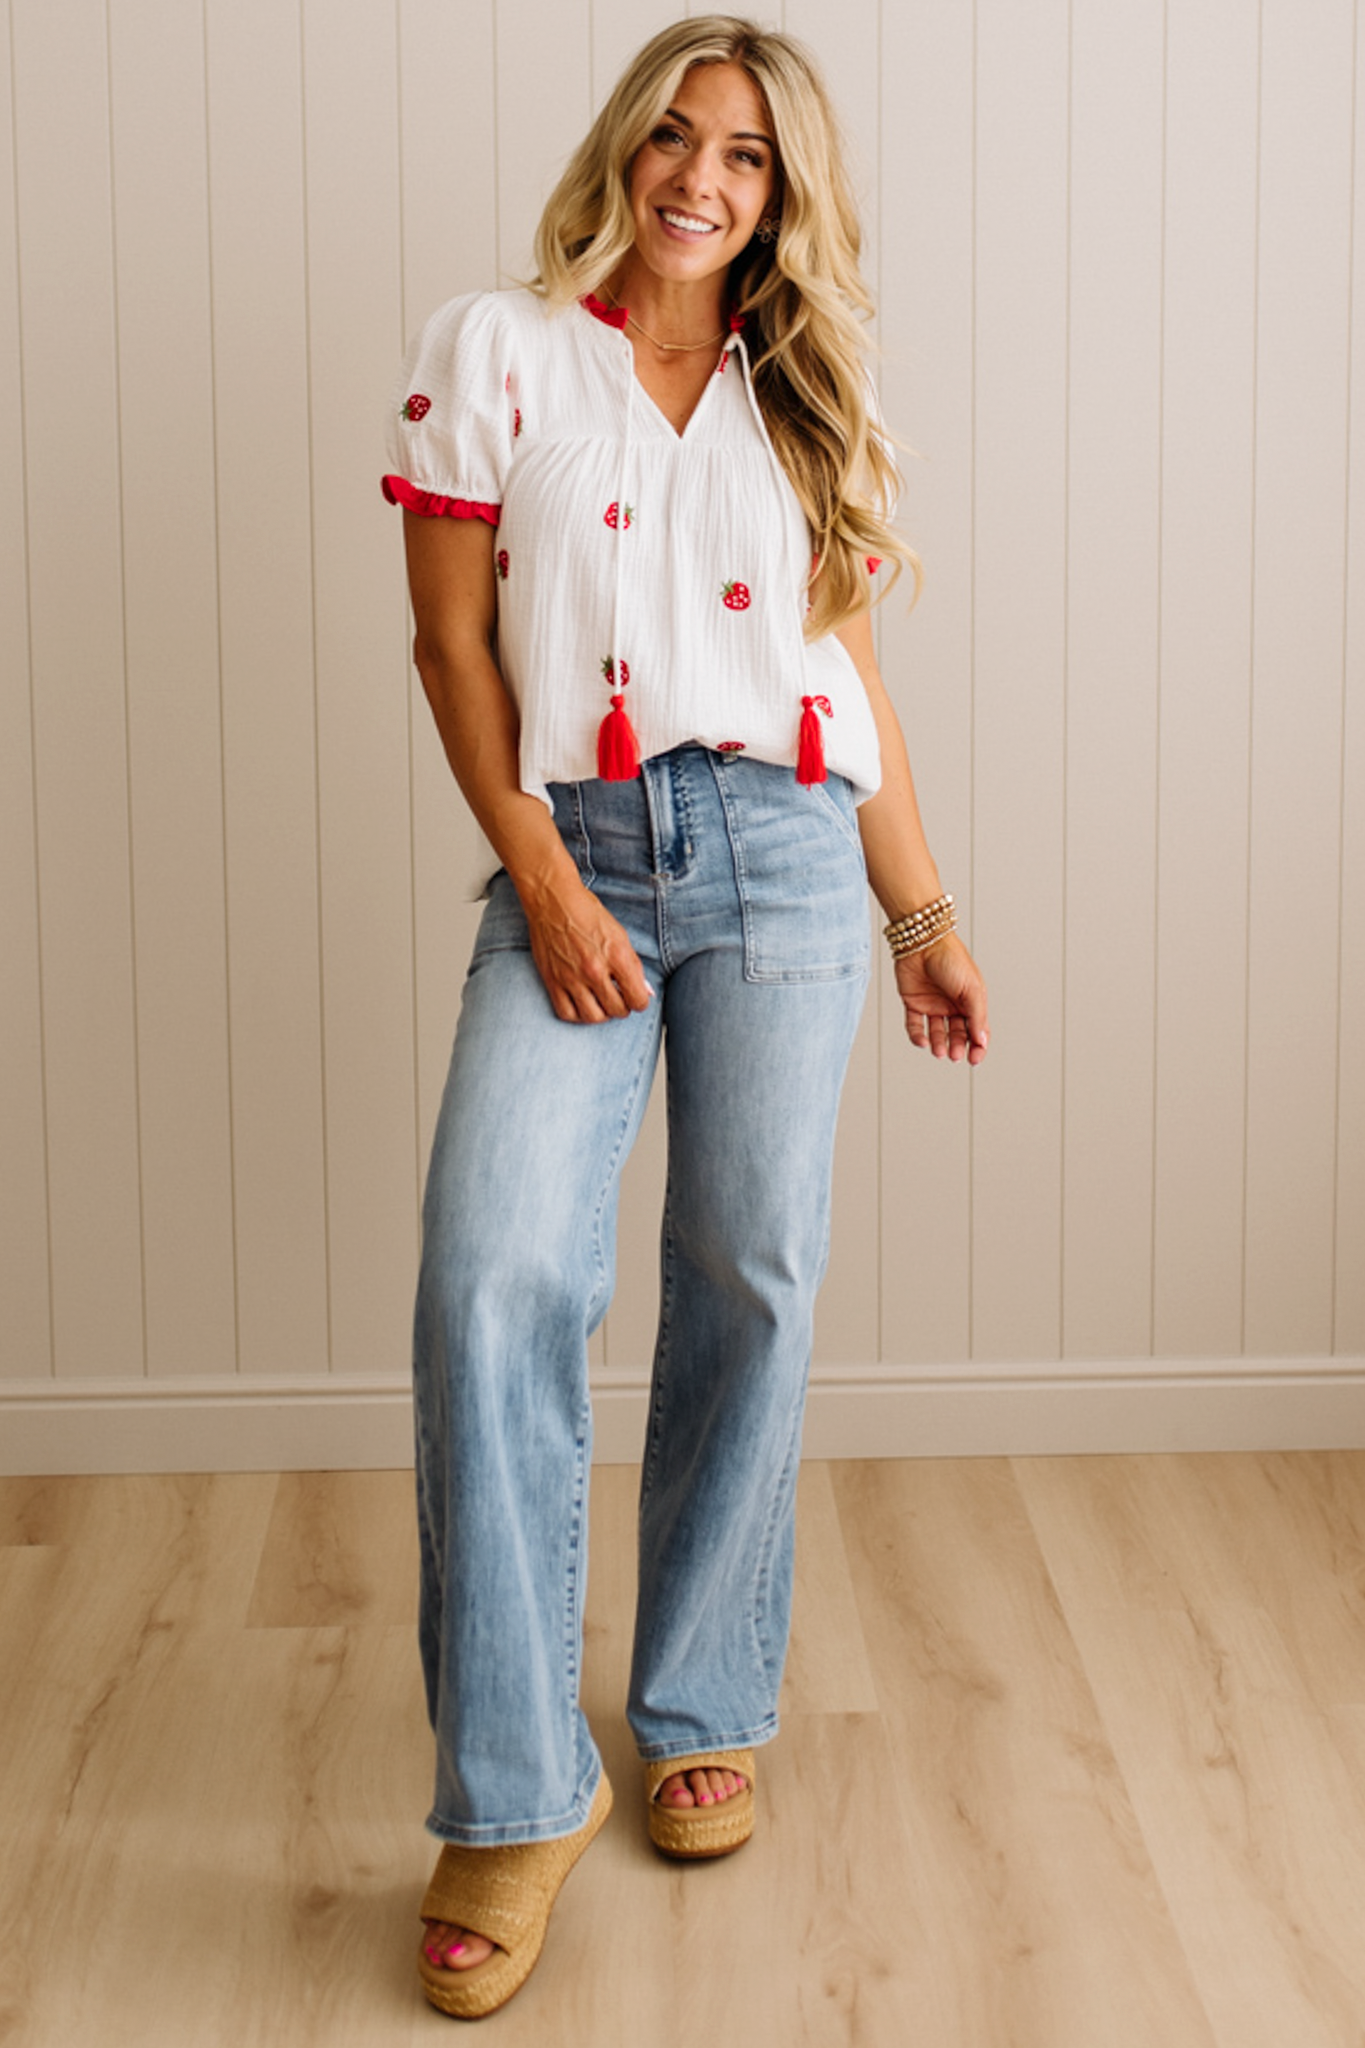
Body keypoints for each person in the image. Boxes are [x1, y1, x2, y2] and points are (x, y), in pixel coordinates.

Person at [381, 13, 988, 2019]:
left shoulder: (805, 390)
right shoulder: (500, 350)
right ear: (625, 149)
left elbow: (852, 678)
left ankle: (702, 1695)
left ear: (780, 194)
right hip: (579, 848)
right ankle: (509, 1792)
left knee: (747, 1269)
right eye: (673, 133)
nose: (699, 176)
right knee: (491, 1279)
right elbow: (448, 643)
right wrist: (541, 876)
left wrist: (923, 914)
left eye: (743, 153)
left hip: (792, 859)